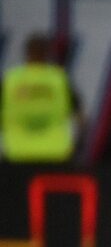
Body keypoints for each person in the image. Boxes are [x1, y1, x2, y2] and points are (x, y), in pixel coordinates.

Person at [1, 34, 83, 164]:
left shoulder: (10, 80)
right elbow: (80, 118)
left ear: (27, 53)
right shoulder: (59, 79)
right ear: (47, 54)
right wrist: (76, 146)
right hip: (55, 152)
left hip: (16, 151)